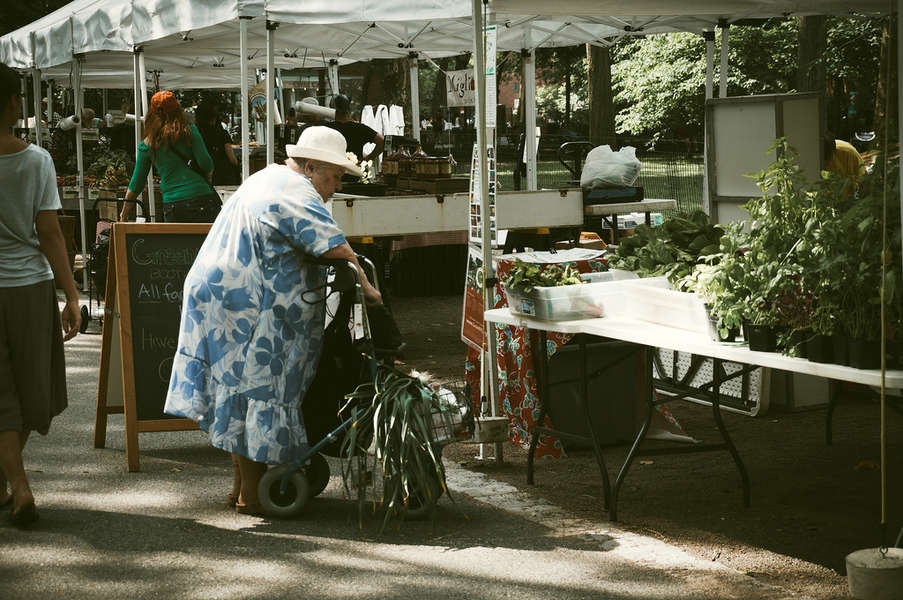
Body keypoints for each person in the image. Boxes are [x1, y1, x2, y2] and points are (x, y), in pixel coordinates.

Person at [163, 126, 382, 515]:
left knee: (237, 390)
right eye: (333, 178)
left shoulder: (266, 178)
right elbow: (332, 242)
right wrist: (366, 283)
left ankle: (240, 487)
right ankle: (250, 494)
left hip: (222, 294)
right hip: (246, 302)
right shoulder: (296, 190)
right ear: (311, 167)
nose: (334, 188)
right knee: (259, 391)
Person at [0, 62, 81, 528]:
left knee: (0, 389)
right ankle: (16, 482)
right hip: (30, 287)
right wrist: (71, 295)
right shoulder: (37, 161)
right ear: (14, 103)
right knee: (31, 385)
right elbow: (50, 233)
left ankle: (14, 482)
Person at [119, 91, 219, 223]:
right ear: (178, 109)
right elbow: (206, 163)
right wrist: (208, 177)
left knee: (177, 243)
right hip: (201, 197)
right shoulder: (189, 130)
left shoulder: (148, 143)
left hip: (173, 205)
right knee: (206, 243)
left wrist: (124, 213)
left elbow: (136, 183)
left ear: (153, 112)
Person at [324, 94, 384, 164]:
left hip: (332, 171)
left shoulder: (326, 129)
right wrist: (368, 159)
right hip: (354, 171)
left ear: (333, 109)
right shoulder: (360, 128)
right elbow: (382, 141)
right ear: (348, 109)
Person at [195, 100, 239, 186]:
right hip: (222, 175)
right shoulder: (222, 133)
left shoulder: (196, 134)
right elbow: (232, 158)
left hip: (201, 176)